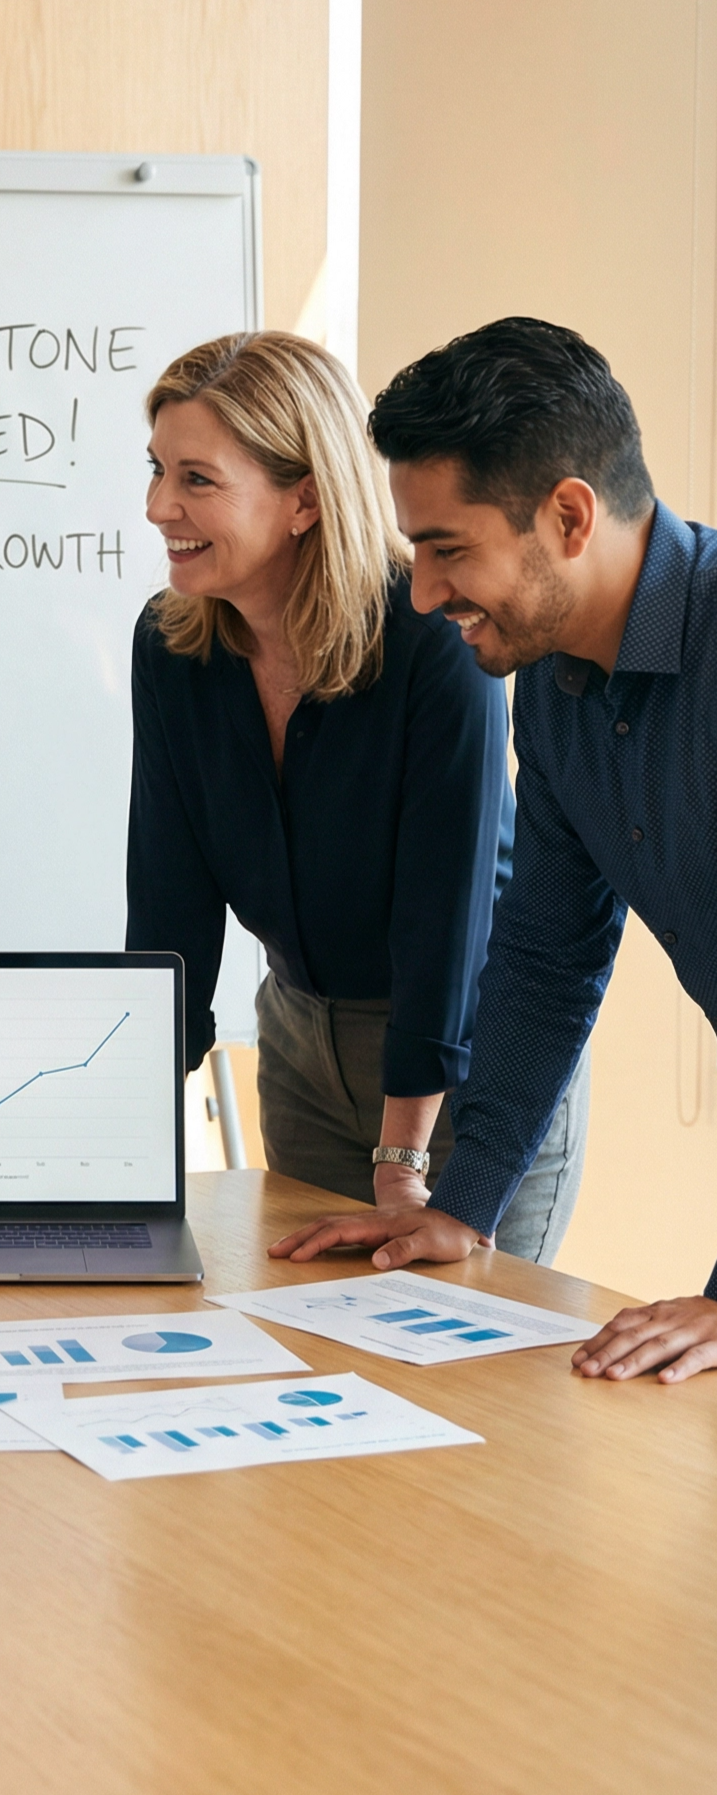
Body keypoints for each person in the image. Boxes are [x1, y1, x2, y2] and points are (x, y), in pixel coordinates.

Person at [270, 317, 716, 1384]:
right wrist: (460, 1204)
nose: (421, 592)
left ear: (567, 514)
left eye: (447, 548)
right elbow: (546, 957)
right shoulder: (552, 690)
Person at [127, 331, 590, 1254]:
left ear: (303, 497)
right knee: (308, 1347)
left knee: (460, 1364)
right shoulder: (172, 646)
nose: (156, 507)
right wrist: (128, 1126)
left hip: (465, 1058)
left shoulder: (430, 640)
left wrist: (401, 1154)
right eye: (155, 470)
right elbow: (168, 899)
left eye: (195, 479)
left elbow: (443, 913)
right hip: (300, 1043)